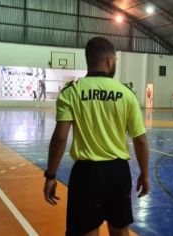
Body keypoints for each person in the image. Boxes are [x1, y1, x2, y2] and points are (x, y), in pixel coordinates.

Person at [43, 37, 150, 236]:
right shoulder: (126, 94)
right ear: (110, 60)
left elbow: (60, 137)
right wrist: (144, 174)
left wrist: (51, 175)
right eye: (115, 60)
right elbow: (140, 139)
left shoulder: (71, 91)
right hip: (118, 172)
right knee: (120, 231)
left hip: (86, 175)